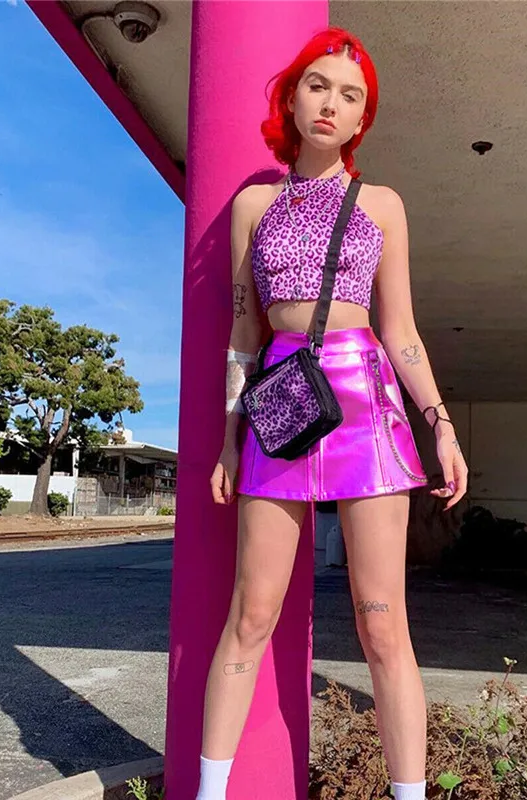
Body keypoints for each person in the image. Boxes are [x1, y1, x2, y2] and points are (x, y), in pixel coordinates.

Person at [199, 26, 468, 800]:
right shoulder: (254, 205)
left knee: (382, 624)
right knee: (251, 615)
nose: (331, 103)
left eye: (351, 96)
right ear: (291, 98)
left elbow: (401, 331)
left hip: (366, 405)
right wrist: (228, 440)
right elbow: (243, 334)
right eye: (318, 86)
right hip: (281, 403)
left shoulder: (382, 205)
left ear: (361, 120)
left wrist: (440, 424)